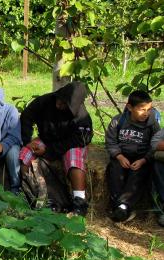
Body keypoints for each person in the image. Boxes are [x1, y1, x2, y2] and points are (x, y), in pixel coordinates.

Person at [20, 81, 93, 215]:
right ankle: (27, 191)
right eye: (59, 99)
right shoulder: (45, 101)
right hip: (46, 139)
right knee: (25, 154)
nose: (59, 104)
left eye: (65, 104)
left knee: (74, 159)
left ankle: (79, 201)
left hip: (69, 144)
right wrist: (27, 140)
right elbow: (26, 116)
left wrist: (50, 151)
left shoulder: (82, 116)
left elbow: (82, 139)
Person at [105, 90, 159, 223]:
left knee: (138, 175)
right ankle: (119, 205)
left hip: (141, 158)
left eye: (149, 109)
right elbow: (111, 141)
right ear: (129, 107)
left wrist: (144, 159)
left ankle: (123, 205)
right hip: (121, 156)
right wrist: (118, 155)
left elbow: (155, 145)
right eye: (142, 109)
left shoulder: (152, 125)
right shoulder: (118, 121)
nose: (146, 113)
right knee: (114, 172)